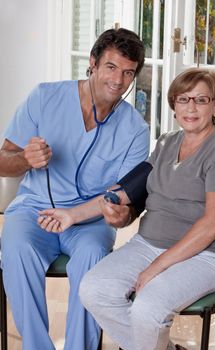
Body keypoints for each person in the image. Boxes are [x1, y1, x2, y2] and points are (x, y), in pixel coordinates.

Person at [40, 68, 215, 350]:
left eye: (201, 100)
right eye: (183, 99)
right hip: (149, 243)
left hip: (211, 255)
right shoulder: (167, 143)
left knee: (148, 306)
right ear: (173, 104)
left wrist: (156, 268)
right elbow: (123, 191)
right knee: (93, 290)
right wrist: (71, 215)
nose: (191, 107)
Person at [0, 28, 150, 350]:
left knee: (92, 257)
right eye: (111, 67)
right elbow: (2, 160)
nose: (118, 81)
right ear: (93, 63)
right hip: (34, 209)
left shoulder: (135, 129)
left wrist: (121, 215)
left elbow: (123, 197)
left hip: (89, 221)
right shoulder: (44, 97)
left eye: (128, 73)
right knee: (17, 248)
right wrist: (25, 159)